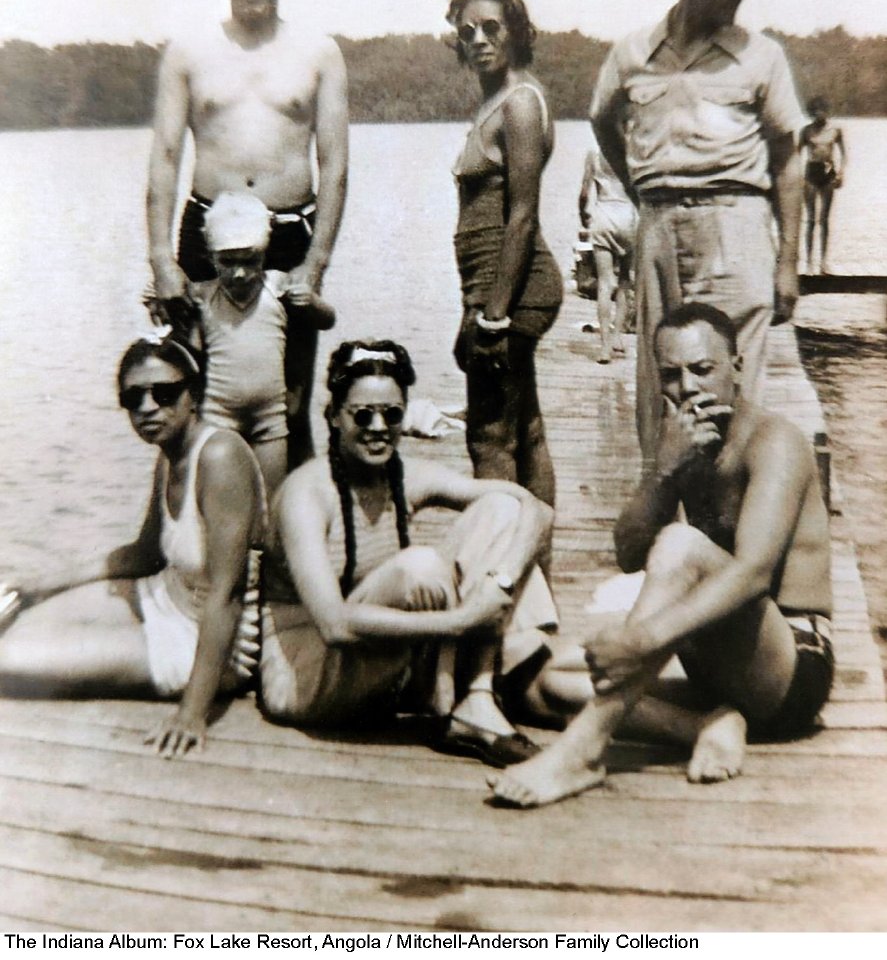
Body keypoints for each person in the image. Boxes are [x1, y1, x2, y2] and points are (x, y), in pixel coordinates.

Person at [490, 302, 833, 807]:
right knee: (541, 678)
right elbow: (629, 553)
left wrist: (640, 641)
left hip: (789, 671)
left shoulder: (773, 442)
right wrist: (663, 471)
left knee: (680, 545)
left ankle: (580, 756)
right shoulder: (687, 442)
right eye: (671, 374)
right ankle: (706, 724)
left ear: (737, 367)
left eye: (702, 369)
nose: (688, 388)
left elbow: (753, 574)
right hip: (717, 662)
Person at [259, 340, 559, 767]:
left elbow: (535, 508)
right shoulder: (307, 495)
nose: (379, 427)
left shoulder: (407, 476)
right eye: (362, 415)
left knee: (500, 508)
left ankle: (475, 696)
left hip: (378, 658)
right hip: (306, 677)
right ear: (333, 416)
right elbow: (335, 625)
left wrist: (501, 583)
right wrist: (464, 621)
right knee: (420, 566)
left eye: (392, 414)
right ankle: (481, 684)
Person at [591, 0, 807, 460]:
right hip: (659, 224)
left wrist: (786, 264)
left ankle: (735, 523)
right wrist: (642, 190)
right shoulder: (633, 52)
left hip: (736, 223)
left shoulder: (762, 57)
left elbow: (788, 160)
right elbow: (602, 120)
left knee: (730, 384)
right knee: (660, 376)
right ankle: (667, 513)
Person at [0, 333, 265, 759]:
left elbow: (226, 594)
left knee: (8, 660)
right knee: (15, 610)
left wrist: (192, 713)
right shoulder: (169, 452)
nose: (146, 407)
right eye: (133, 398)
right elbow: (145, 554)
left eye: (163, 393)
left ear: (193, 395)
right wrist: (43, 584)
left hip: (208, 639)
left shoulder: (219, 456)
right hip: (163, 594)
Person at [146, 0, 348, 470]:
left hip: (288, 238)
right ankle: (186, 546)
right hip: (206, 234)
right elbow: (165, 158)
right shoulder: (188, 52)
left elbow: (334, 168)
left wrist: (316, 263)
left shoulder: (319, 52)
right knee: (189, 400)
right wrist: (162, 259)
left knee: (291, 400)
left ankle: (285, 548)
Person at [446, 0, 563, 508]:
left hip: (514, 292)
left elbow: (521, 216)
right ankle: (536, 565)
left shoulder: (519, 105)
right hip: (496, 289)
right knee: (525, 425)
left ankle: (502, 561)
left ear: (516, 32)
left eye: (491, 28)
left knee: (489, 435)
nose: (478, 39)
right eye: (467, 31)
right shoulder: (494, 102)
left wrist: (492, 318)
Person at [188, 191, 335, 500]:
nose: (239, 273)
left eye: (250, 261)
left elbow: (328, 320)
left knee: (273, 501)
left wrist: (312, 303)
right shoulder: (203, 294)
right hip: (218, 414)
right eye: (227, 262)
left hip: (270, 417)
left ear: (264, 255)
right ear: (211, 258)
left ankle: (270, 546)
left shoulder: (278, 285)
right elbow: (178, 325)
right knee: (223, 500)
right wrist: (156, 299)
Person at [578, 147, 638, 363]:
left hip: (604, 214)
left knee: (605, 283)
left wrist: (583, 215)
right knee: (624, 281)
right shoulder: (633, 152)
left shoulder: (593, 153)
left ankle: (604, 348)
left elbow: (585, 193)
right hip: (629, 215)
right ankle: (617, 337)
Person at [801, 97, 847, 274]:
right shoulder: (806, 131)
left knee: (824, 220)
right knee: (811, 220)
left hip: (828, 173)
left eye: (822, 110)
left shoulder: (835, 130)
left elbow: (844, 154)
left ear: (827, 111)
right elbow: (797, 154)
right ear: (812, 112)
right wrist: (798, 176)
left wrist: (841, 173)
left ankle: (823, 262)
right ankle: (809, 264)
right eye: (815, 111)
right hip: (811, 173)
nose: (819, 114)